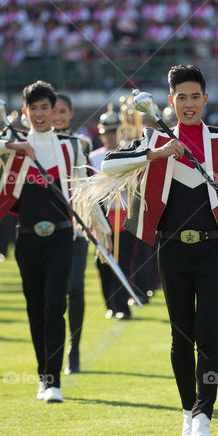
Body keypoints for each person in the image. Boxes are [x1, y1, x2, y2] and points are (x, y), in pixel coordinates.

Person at [86, 65, 218, 436]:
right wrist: (157, 153)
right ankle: (186, 411)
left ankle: (204, 414)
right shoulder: (153, 137)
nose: (189, 104)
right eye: (181, 97)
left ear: (205, 99)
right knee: (182, 337)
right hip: (172, 247)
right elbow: (108, 165)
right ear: (171, 101)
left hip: (214, 249)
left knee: (209, 334)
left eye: (195, 97)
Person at [0, 81, 110, 404]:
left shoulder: (70, 147)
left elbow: (85, 193)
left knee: (55, 306)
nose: (40, 114)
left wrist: (102, 230)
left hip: (61, 235)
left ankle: (55, 381)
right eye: (33, 109)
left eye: (46, 108)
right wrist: (13, 148)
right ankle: (43, 377)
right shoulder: (14, 143)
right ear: (25, 112)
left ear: (53, 110)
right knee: (36, 311)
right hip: (28, 237)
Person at [51, 93, 94, 374]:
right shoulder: (33, 144)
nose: (56, 115)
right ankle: (52, 351)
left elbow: (86, 182)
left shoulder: (81, 144)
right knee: (53, 292)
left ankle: (73, 348)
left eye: (62, 111)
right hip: (47, 227)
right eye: (52, 110)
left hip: (77, 225)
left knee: (76, 285)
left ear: (70, 114)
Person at [89, 106, 133, 321]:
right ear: (101, 133)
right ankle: (110, 303)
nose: (111, 135)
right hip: (102, 214)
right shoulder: (93, 158)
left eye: (115, 131)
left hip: (123, 214)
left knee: (122, 261)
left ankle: (122, 306)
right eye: (107, 131)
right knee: (103, 262)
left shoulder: (129, 152)